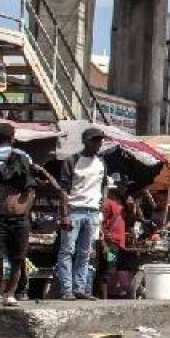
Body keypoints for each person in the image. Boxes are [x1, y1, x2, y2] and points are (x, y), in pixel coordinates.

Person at [0, 124, 67, 306]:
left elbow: (54, 187)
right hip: (2, 214)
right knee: (0, 255)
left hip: (10, 215)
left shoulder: (22, 168)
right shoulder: (13, 166)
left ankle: (8, 292)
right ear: (13, 137)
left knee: (12, 256)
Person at [56, 127, 108, 301]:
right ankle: (67, 289)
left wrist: (102, 203)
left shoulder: (101, 162)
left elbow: (104, 185)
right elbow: (63, 190)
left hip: (92, 212)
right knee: (67, 251)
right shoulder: (72, 161)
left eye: (100, 140)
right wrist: (65, 214)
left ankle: (80, 288)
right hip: (74, 210)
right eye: (95, 140)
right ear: (85, 141)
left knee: (85, 253)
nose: (98, 143)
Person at [95, 177, 127, 300]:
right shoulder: (107, 203)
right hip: (110, 243)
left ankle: (103, 295)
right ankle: (103, 296)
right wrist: (104, 243)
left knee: (109, 267)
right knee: (109, 267)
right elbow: (100, 223)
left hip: (114, 241)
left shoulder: (116, 201)